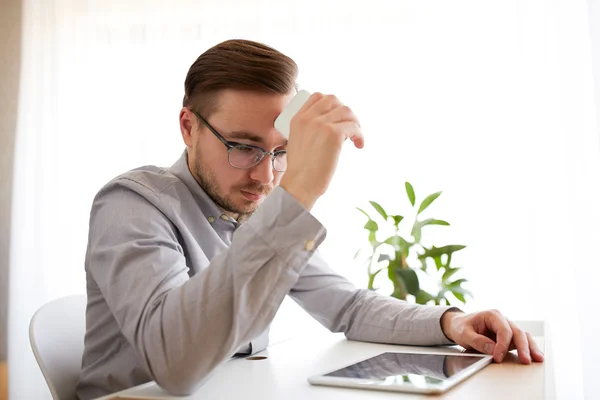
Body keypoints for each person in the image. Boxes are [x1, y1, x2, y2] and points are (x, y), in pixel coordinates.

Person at [76, 39, 543, 400]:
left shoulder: (247, 211)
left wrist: (450, 323)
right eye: (242, 146)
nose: (265, 175)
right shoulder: (131, 206)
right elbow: (174, 364)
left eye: (281, 151)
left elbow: (348, 307)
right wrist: (300, 190)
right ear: (188, 126)